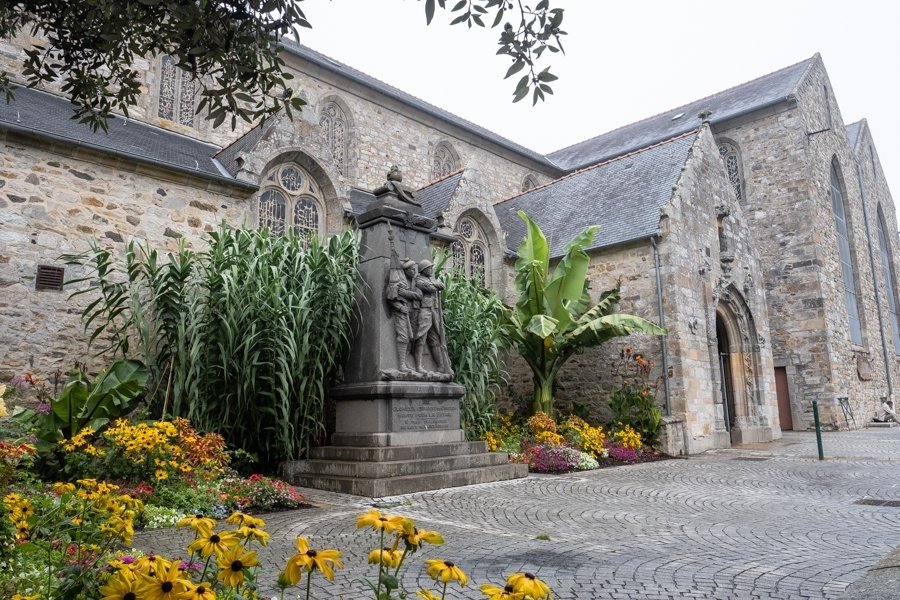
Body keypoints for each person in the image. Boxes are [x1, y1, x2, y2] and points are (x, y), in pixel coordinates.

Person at [412, 259, 452, 376]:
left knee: (435, 339)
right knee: (421, 338)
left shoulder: (431, 280)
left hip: (435, 311)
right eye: (429, 268)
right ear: (423, 270)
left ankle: (441, 366)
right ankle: (418, 366)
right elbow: (431, 288)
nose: (431, 270)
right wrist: (435, 285)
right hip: (425, 310)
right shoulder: (418, 279)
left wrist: (434, 284)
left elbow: (442, 285)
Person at [385, 259, 422, 374]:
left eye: (415, 269)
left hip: (414, 312)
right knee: (403, 336)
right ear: (405, 271)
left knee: (412, 338)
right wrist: (400, 307)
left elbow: (419, 295)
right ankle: (401, 364)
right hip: (401, 312)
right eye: (412, 270)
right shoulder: (397, 282)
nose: (414, 271)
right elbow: (390, 297)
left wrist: (406, 294)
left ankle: (406, 361)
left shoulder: (417, 281)